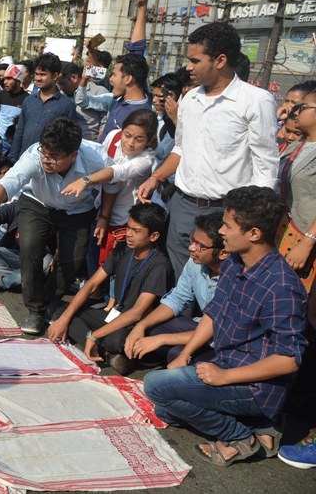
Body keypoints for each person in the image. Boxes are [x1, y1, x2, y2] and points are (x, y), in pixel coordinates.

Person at [144, 186, 308, 467]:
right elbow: (214, 313)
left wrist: (225, 377)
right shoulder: (234, 262)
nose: (221, 231)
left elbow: (289, 359)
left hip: (254, 387)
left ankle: (240, 435)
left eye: (228, 225)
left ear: (254, 234)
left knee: (155, 387)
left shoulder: (281, 286)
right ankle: (258, 425)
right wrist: (186, 353)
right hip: (224, 364)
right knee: (166, 406)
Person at [137, 22, 279, 278]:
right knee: (182, 278)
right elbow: (181, 148)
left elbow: (265, 166)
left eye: (195, 60)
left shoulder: (255, 101)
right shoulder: (189, 99)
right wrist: (156, 177)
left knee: (221, 280)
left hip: (225, 213)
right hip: (182, 205)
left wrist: (247, 219)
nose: (188, 67)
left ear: (220, 60)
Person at [0, 118, 109, 335]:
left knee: (72, 261)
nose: (46, 160)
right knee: (30, 247)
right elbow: (7, 184)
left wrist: (104, 216)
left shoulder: (96, 159)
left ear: (74, 155)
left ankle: (49, 301)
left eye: (53, 157)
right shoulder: (35, 155)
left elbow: (113, 184)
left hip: (77, 211)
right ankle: (35, 309)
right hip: (37, 203)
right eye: (45, 153)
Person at [47, 204, 173, 375]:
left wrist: (95, 335)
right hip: (114, 315)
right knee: (56, 308)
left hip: (134, 325)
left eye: (136, 231)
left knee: (116, 340)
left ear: (154, 236)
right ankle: (108, 354)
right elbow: (92, 284)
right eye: (128, 227)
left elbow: (137, 312)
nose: (128, 234)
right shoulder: (122, 250)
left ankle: (99, 344)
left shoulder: (159, 265)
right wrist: (65, 318)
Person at [124, 212, 227, 365]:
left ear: (223, 253)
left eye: (201, 246)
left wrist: (162, 339)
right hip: (200, 325)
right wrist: (142, 325)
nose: (191, 247)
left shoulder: (234, 278)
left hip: (222, 339)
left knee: (176, 352)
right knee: (145, 332)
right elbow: (177, 299)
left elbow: (216, 331)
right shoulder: (195, 262)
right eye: (193, 239)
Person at [62, 109, 158, 265]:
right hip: (100, 208)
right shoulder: (113, 136)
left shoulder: (146, 159)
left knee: (114, 263)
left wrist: (86, 180)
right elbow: (99, 158)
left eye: (139, 139)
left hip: (123, 218)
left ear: (149, 141)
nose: (130, 143)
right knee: (92, 255)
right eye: (127, 135)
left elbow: (117, 172)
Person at [75, 0, 154, 144]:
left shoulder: (147, 110)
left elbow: (137, 51)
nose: (110, 79)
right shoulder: (114, 100)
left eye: (115, 75)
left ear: (128, 79)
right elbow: (83, 100)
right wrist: (142, 8)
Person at [279, 91, 316, 293]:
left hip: (305, 239)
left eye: (303, 107)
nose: (296, 112)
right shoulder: (296, 145)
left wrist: (307, 242)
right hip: (284, 233)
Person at [10, 53, 77, 161]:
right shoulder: (29, 101)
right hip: (23, 161)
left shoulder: (66, 105)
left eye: (43, 74)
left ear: (55, 76)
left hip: (48, 164)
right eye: (36, 74)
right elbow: (19, 133)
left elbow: (69, 141)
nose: (38, 78)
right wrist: (13, 159)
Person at [57, 61, 108, 141]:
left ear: (74, 77)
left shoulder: (98, 92)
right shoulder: (61, 95)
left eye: (62, 84)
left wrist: (100, 141)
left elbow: (106, 121)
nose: (60, 88)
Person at [0, 64, 28, 154]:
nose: (4, 82)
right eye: (4, 79)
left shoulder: (27, 99)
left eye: (9, 79)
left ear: (17, 80)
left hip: (15, 144)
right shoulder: (0, 95)